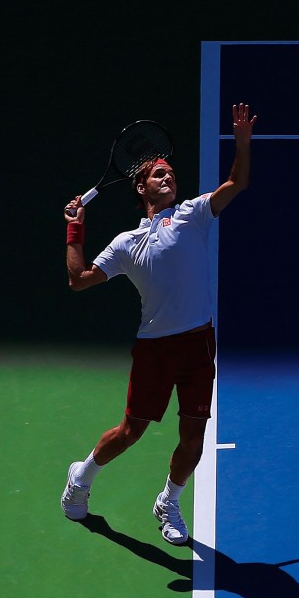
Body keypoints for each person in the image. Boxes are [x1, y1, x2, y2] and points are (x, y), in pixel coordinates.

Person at [60, 103, 256, 544]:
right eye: (159, 173)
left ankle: (169, 500)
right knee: (131, 431)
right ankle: (81, 476)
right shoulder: (125, 243)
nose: (168, 178)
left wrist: (242, 143)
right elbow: (79, 280)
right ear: (141, 185)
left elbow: (237, 183)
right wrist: (75, 230)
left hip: (198, 344)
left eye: (171, 173)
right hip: (155, 348)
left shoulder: (194, 214)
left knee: (193, 436)